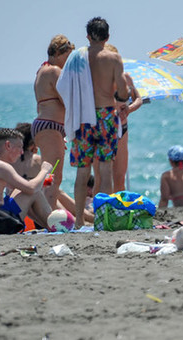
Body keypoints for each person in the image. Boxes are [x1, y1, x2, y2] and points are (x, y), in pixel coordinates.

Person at [58, 17, 130, 227]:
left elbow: (63, 86)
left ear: (88, 36)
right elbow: (123, 90)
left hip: (82, 119)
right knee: (105, 169)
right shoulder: (114, 58)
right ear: (108, 37)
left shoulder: (76, 57)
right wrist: (121, 100)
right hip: (106, 115)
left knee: (82, 170)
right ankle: (101, 218)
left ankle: (80, 220)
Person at [0, 128, 54, 234]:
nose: (22, 152)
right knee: (33, 192)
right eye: (20, 147)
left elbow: (21, 187)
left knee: (29, 191)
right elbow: (31, 189)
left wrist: (40, 183)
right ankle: (55, 225)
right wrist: (44, 170)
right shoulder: (0, 166)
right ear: (8, 145)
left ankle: (50, 227)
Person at [93, 43, 142, 194]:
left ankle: (118, 212)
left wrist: (129, 109)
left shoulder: (125, 78)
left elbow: (138, 99)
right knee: (100, 178)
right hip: (103, 128)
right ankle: (99, 213)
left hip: (122, 128)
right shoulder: (97, 79)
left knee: (119, 177)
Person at [33, 34, 74, 209]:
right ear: (58, 52)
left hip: (44, 125)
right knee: (53, 178)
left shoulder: (41, 71)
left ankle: (45, 215)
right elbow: (67, 101)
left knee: (48, 176)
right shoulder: (54, 71)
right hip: (51, 126)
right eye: (67, 57)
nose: (68, 61)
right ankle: (47, 220)